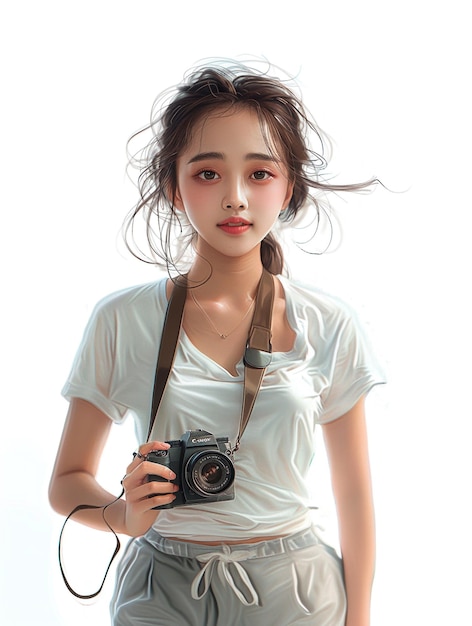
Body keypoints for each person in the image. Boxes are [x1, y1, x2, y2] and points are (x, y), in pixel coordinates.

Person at [49, 60, 385, 626]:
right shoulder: (122, 319)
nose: (235, 197)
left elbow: (353, 498)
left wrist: (361, 620)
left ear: (289, 187)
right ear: (173, 189)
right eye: (207, 173)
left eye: (259, 173)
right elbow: (65, 483)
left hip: (295, 588)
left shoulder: (328, 323)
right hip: (161, 586)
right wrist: (126, 515)